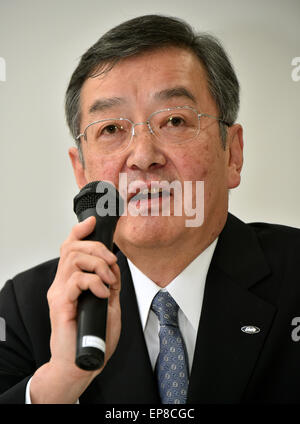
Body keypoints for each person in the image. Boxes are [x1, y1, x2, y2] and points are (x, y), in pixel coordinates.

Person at [0, 14, 300, 405]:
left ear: (233, 154)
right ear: (82, 171)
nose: (142, 157)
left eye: (175, 120)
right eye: (111, 129)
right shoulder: (25, 311)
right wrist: (60, 381)